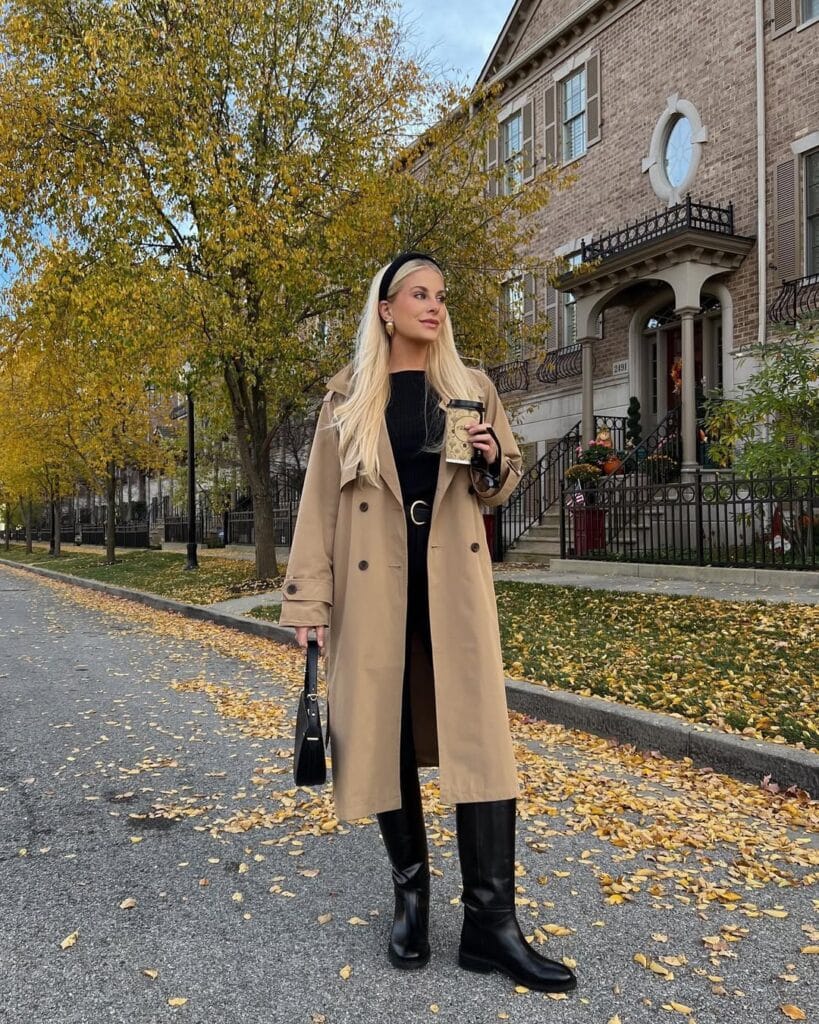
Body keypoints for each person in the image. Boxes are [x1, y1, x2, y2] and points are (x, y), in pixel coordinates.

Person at [279, 252, 577, 994]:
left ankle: (491, 924)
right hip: (373, 593)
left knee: (481, 744)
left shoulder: (469, 388)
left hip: (451, 589)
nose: (435, 306)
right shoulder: (346, 401)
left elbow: (498, 485)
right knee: (385, 738)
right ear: (385, 308)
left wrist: (488, 459)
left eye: (441, 296)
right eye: (420, 294)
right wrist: (306, 603)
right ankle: (409, 896)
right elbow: (317, 507)